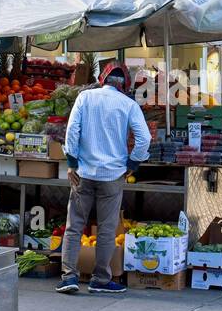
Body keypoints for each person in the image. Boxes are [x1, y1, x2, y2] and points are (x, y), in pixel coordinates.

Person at [56, 64, 151, 295]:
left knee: (74, 226)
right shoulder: (128, 104)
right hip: (113, 175)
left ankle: (69, 277)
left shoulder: (84, 97)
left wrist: (71, 163)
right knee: (107, 229)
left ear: (102, 79)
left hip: (83, 174)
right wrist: (132, 164)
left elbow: (72, 132)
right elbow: (144, 138)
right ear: (125, 86)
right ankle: (100, 279)